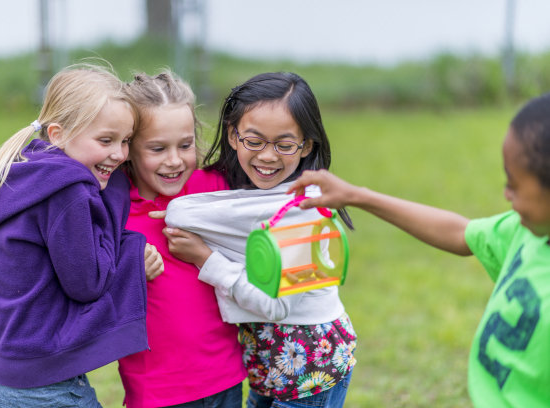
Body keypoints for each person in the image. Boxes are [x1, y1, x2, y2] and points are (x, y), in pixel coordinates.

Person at [286, 93, 550, 408]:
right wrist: (357, 196)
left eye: (515, 186)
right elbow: (460, 233)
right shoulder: (526, 232)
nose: (506, 194)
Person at [162, 72, 358, 408]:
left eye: (284, 145)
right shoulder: (249, 194)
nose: (267, 157)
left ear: (306, 145)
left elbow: (276, 306)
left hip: (311, 370)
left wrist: (205, 258)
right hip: (268, 363)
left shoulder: (304, 207)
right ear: (233, 136)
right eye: (254, 141)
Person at [0, 63, 156, 408]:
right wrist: (129, 237)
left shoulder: (33, 173)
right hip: (45, 384)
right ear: (57, 133)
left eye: (126, 141)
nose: (119, 154)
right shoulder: (67, 192)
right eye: (106, 140)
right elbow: (89, 283)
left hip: (12, 374)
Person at [117, 70, 247, 408]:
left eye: (185, 145)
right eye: (157, 148)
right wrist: (130, 271)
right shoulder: (114, 211)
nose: (174, 161)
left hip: (226, 377)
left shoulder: (215, 188)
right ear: (128, 148)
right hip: (156, 391)